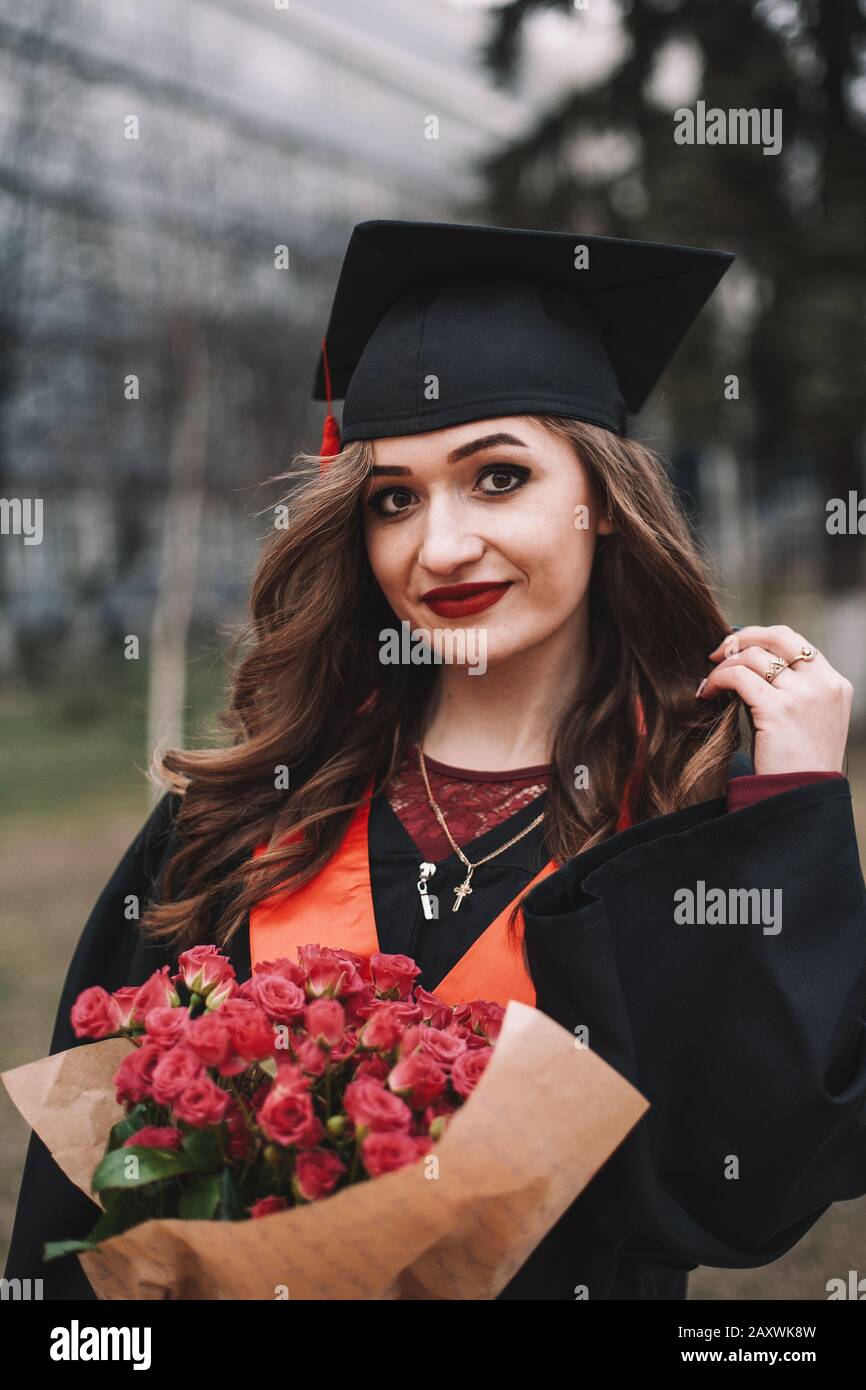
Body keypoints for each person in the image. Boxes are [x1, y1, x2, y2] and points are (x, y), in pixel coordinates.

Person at [6, 220, 866, 1301]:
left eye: (496, 477)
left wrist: (788, 809)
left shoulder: (683, 818)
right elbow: (76, 1217)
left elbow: (752, 1186)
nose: (439, 546)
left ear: (598, 497)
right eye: (394, 498)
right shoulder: (240, 820)